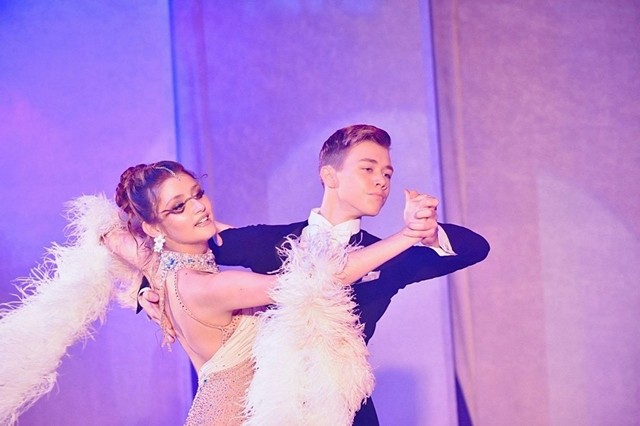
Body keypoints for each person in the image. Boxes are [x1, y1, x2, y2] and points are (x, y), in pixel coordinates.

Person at [0, 160, 435, 425]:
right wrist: (406, 236)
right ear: (154, 226)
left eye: (197, 194)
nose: (198, 207)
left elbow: (109, 234)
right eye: (178, 207)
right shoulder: (211, 285)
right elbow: (316, 279)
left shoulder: (165, 268)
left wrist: (145, 281)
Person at [140, 124, 491, 425]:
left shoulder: (387, 257)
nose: (381, 181)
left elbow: (476, 248)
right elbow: (180, 243)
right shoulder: (270, 242)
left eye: (387, 174)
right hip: (268, 408)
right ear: (329, 175)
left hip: (346, 410)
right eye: (368, 169)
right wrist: (148, 288)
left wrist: (428, 232)